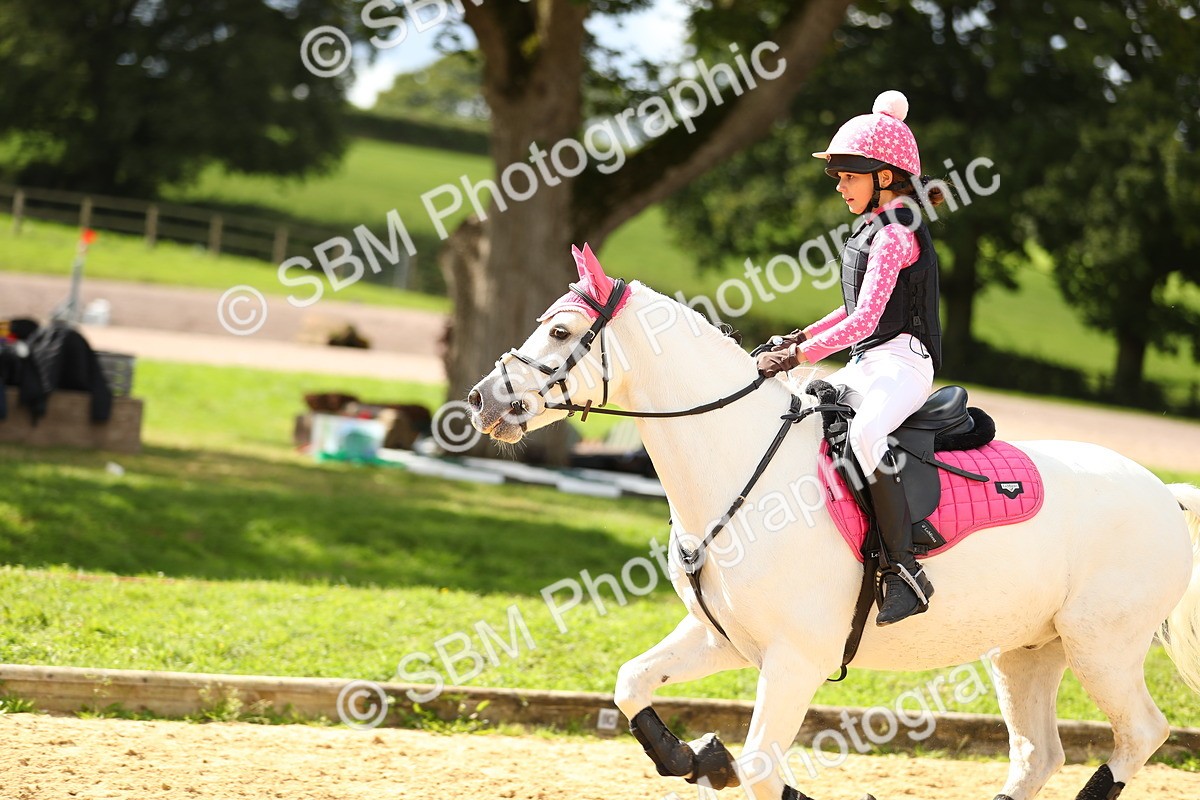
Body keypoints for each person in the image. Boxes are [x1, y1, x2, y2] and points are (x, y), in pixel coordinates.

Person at [756, 90, 947, 626]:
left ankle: (906, 569)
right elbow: (849, 312)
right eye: (836, 176)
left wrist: (798, 356)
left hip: (904, 363)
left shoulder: (895, 237)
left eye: (848, 175)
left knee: (864, 436)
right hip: (872, 358)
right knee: (805, 414)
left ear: (885, 176)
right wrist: (794, 341)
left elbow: (863, 324)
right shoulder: (872, 229)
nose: (838, 185)